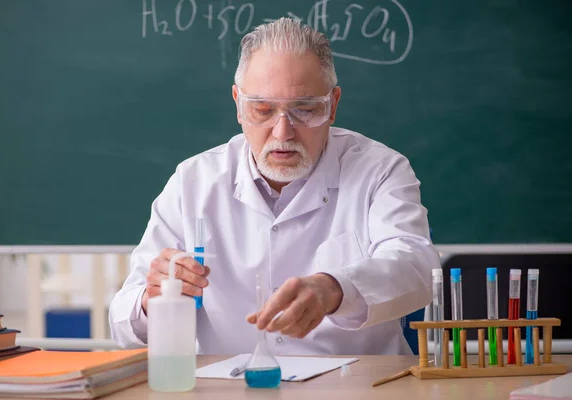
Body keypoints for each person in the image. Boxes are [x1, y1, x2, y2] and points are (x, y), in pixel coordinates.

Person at [109, 17, 441, 355]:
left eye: (305, 109)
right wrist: (154, 300)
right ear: (238, 104)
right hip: (231, 386)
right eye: (262, 110)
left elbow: (416, 267)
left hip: (356, 384)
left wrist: (334, 289)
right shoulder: (192, 182)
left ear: (333, 105)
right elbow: (123, 323)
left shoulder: (380, 169)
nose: (282, 132)